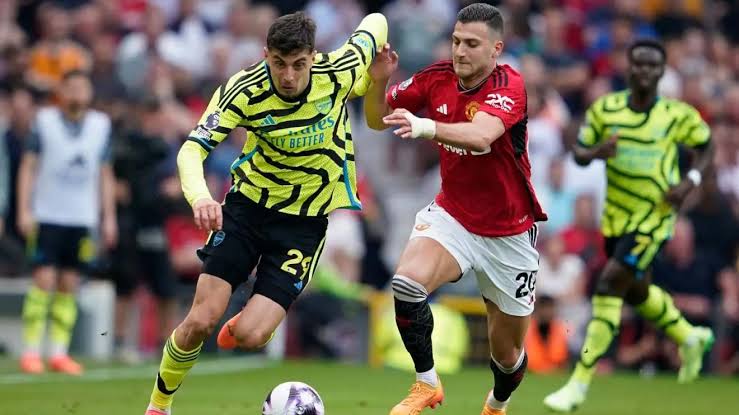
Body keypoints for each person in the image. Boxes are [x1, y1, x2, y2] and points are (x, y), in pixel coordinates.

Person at [143, 11, 388, 415]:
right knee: (202, 318)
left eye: (298, 65)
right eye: (278, 63)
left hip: (303, 226)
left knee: (254, 336)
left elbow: (376, 20)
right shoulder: (244, 88)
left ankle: (239, 326)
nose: (288, 75)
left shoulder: (340, 70)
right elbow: (192, 149)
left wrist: (377, 66)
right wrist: (201, 197)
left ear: (313, 56)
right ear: (265, 55)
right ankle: (159, 405)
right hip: (247, 210)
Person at [365, 4, 547, 415]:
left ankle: (496, 405)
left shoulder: (509, 84)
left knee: (507, 354)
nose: (460, 51)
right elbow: (378, 120)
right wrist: (378, 84)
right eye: (456, 41)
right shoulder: (435, 78)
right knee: (407, 283)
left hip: (510, 233)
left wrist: (426, 126)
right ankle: (426, 383)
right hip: (455, 217)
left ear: (496, 48)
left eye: (471, 44)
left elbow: (482, 136)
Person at [543, 39, 715, 413]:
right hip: (616, 216)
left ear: (662, 71)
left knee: (609, 283)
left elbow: (706, 145)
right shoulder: (607, 110)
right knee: (635, 291)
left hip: (653, 218)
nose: (645, 72)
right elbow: (580, 152)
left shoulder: (676, 114)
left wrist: (691, 180)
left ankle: (579, 382)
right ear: (628, 68)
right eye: (638, 64)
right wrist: (596, 153)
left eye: (653, 66)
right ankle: (690, 335)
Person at [16, 70, 117, 375]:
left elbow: (105, 172)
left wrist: (108, 216)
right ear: (61, 91)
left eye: (81, 87)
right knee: (43, 280)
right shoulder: (44, 122)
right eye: (70, 87)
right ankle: (31, 350)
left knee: (70, 284)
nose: (76, 93)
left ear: (89, 92)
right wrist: (23, 209)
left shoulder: (101, 125)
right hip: (48, 214)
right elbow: (28, 166)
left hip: (81, 217)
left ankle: (59, 352)